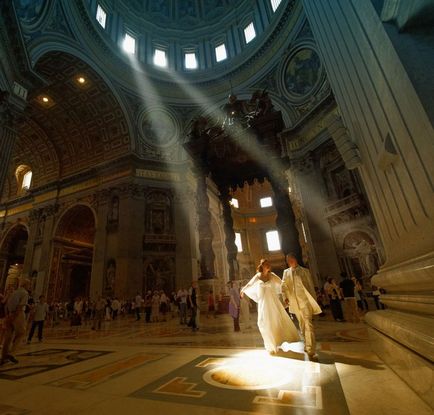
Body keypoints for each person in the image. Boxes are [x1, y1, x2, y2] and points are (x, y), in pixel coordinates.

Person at [241, 259, 299, 354]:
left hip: (273, 303)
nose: (268, 266)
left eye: (269, 265)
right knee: (263, 323)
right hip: (263, 304)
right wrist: (243, 290)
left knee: (275, 322)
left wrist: (289, 290)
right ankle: (270, 345)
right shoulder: (257, 276)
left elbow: (282, 283)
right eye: (266, 265)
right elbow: (249, 284)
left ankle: (277, 342)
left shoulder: (272, 276)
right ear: (262, 266)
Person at [281, 253, 322, 358]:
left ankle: (310, 348)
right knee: (302, 325)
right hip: (295, 303)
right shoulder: (286, 272)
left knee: (308, 324)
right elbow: (283, 286)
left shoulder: (305, 271)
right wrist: (285, 297)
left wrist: (314, 302)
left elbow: (311, 286)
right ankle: (306, 343)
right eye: (288, 261)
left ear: (295, 259)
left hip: (305, 302)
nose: (289, 262)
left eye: (291, 260)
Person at [1, 279, 31, 364]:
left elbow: (6, 305)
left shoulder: (14, 292)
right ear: (26, 285)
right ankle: (12, 353)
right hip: (18, 314)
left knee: (8, 336)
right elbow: (20, 306)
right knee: (21, 333)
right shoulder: (25, 293)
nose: (30, 286)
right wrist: (14, 316)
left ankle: (3, 357)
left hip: (9, 314)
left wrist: (8, 316)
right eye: (29, 285)